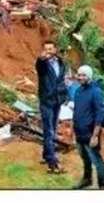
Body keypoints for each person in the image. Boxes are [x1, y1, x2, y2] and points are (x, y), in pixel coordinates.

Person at [35, 40, 70, 173]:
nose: (48, 51)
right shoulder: (42, 64)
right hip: (46, 101)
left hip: (57, 100)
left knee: (52, 128)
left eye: (51, 49)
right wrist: (41, 58)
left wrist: (64, 92)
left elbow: (61, 80)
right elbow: (39, 65)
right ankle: (52, 162)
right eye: (46, 49)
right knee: (49, 130)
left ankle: (46, 154)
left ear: (55, 50)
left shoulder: (61, 63)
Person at [72, 65, 104, 189]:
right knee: (85, 158)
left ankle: (102, 186)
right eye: (79, 74)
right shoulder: (78, 91)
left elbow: (100, 114)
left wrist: (95, 136)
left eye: (83, 75)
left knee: (97, 161)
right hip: (79, 132)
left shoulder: (96, 92)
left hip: (91, 133)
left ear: (89, 77)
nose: (80, 77)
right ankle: (87, 179)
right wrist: (73, 131)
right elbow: (76, 111)